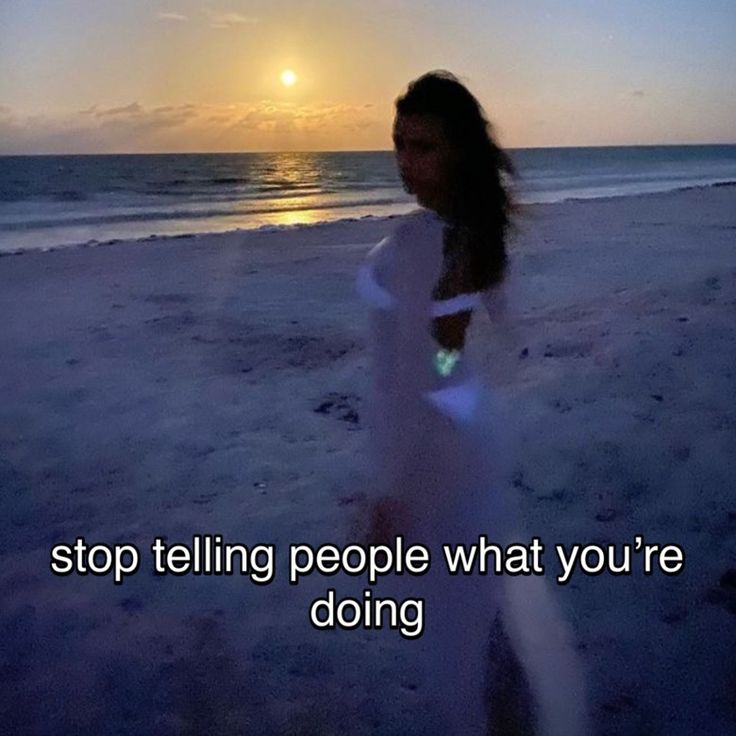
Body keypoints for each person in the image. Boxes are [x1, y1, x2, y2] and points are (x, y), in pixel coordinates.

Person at [355, 71, 588, 735]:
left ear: (457, 151)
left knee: (462, 647)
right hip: (465, 448)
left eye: (423, 146)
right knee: (480, 623)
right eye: (398, 143)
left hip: (447, 457)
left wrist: (399, 491)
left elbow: (440, 376)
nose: (405, 161)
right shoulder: (461, 235)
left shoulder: (443, 249)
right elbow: (460, 365)